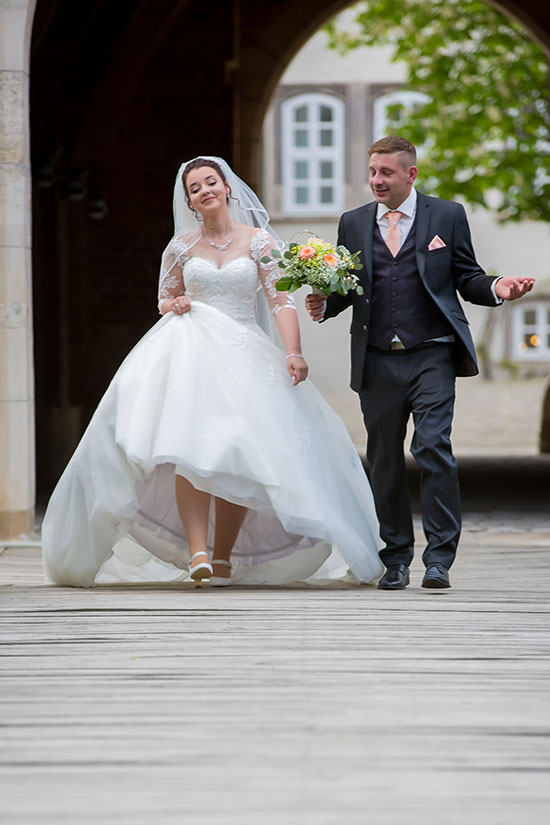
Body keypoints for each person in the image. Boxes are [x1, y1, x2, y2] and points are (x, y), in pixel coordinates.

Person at [42, 156, 384, 588]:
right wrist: (177, 304)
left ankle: (222, 557)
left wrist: (293, 351)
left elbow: (280, 301)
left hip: (245, 354)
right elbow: (165, 298)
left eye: (210, 182)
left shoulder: (259, 242)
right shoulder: (180, 247)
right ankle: (198, 551)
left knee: (237, 452)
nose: (204, 191)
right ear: (189, 201)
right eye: (194, 188)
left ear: (227, 188)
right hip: (192, 356)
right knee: (190, 446)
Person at [306, 136, 534, 591]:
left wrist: (497, 288)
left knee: (432, 447)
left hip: (432, 351)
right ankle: (395, 559)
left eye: (386, 173)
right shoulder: (352, 223)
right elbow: (346, 285)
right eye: (372, 172)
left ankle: (439, 559)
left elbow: (466, 276)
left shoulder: (446, 216)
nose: (376, 181)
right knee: (386, 460)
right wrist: (324, 304)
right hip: (376, 360)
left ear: (410, 174)